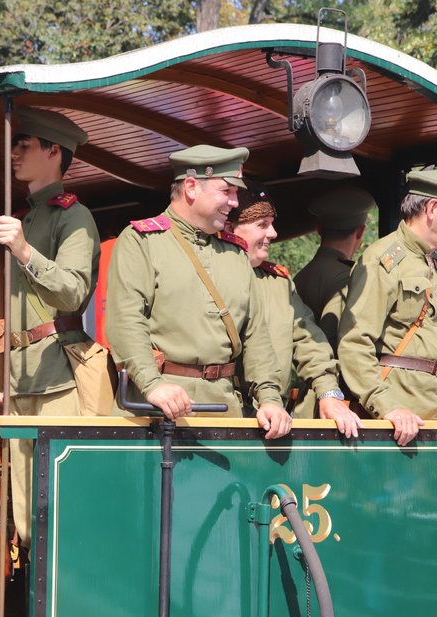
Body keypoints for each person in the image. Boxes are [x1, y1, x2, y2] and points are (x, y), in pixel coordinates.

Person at [105, 145, 291, 437]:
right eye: (227, 191)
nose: (234, 202)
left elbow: (256, 335)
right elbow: (126, 321)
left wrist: (269, 398)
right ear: (191, 187)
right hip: (159, 412)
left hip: (225, 409)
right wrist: (154, 386)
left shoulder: (234, 253)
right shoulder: (142, 241)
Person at [0, 107, 101, 543]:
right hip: (25, 383)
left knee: (59, 515)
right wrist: (5, 389)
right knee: (27, 521)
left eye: (24, 145)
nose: (13, 153)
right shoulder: (29, 216)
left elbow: (69, 294)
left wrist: (26, 252)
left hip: (59, 383)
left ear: (53, 151)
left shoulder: (73, 217)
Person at [337, 169, 437, 445]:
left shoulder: (435, 263)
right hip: (396, 422)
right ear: (432, 208)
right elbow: (354, 343)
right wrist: (387, 407)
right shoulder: (383, 259)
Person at [225, 182, 361, 436]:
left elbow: (309, 342)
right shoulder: (210, 278)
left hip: (274, 421)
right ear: (230, 228)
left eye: (272, 223)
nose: (274, 233)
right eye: (262, 225)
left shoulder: (278, 283)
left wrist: (329, 393)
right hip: (221, 420)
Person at [293, 185, 374, 350]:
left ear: (319, 229)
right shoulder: (347, 278)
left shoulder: (300, 277)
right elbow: (338, 341)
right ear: (360, 232)